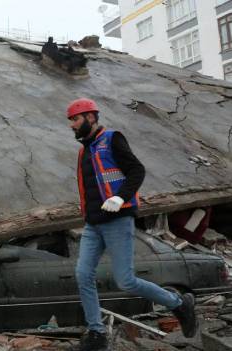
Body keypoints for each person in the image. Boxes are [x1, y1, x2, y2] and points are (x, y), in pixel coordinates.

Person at [67, 98, 197, 350]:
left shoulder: (113, 139)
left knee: (125, 281)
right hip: (93, 225)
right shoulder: (84, 150)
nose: (71, 125)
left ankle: (179, 304)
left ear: (90, 117)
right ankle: (97, 334)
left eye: (75, 119)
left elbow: (137, 171)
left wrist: (120, 197)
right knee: (83, 275)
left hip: (117, 221)